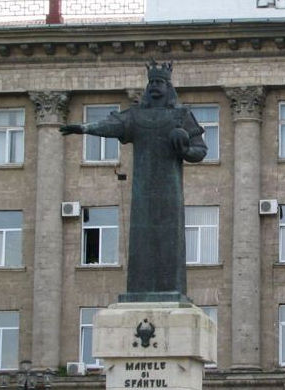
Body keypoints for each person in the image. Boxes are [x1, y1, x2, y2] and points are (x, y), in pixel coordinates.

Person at [60, 60, 207, 298]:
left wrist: (184, 149)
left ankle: (170, 289)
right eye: (152, 82)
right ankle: (140, 290)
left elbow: (199, 151)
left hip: (169, 189)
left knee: (169, 237)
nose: (155, 86)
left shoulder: (181, 116)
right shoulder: (137, 115)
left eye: (160, 82)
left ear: (168, 87)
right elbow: (111, 125)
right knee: (140, 237)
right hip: (143, 190)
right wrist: (85, 128)